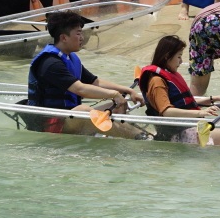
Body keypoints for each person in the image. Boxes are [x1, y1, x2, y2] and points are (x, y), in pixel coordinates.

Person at [26, 10, 148, 138]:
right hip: (49, 124)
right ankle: (141, 138)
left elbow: (95, 82)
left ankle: (123, 139)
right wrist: (113, 94)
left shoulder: (69, 58)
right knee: (83, 111)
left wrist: (128, 91)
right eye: (78, 33)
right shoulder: (50, 63)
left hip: (69, 118)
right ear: (63, 37)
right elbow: (80, 89)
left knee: (118, 105)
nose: (82, 38)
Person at [139, 35, 220, 145]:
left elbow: (184, 103)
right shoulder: (157, 82)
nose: (181, 61)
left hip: (189, 128)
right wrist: (201, 112)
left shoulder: (166, 76)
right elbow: (167, 112)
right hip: (181, 135)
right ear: (167, 56)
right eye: (179, 57)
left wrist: (214, 99)